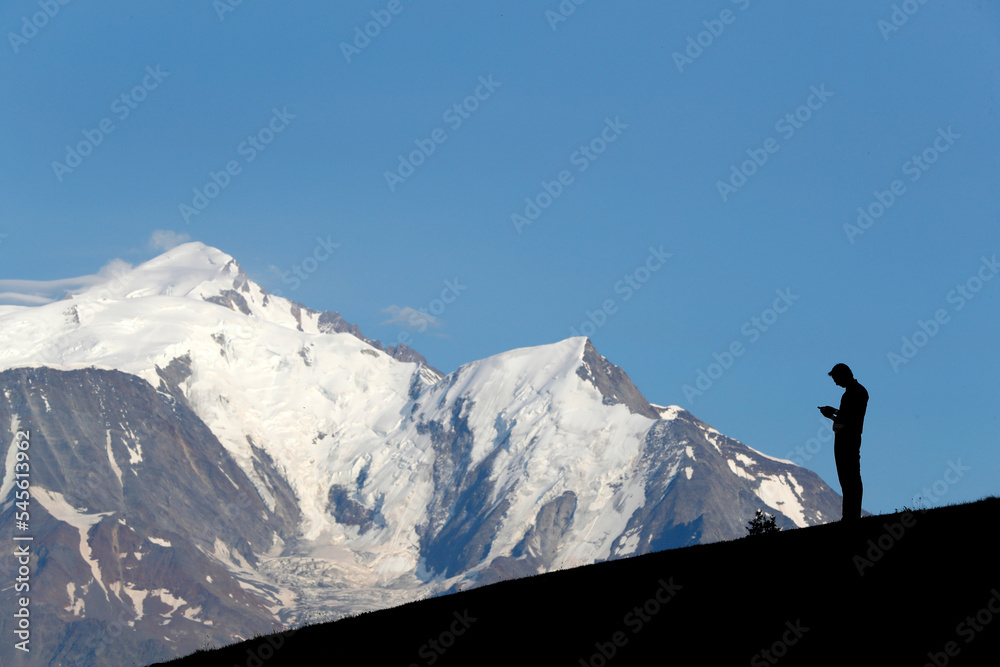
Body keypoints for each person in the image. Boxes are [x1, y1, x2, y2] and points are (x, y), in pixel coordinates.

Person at [818, 363, 868, 523]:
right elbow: (847, 416)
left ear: (843, 375)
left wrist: (832, 416)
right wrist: (834, 413)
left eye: (836, 379)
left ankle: (851, 516)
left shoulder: (854, 393)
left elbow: (849, 419)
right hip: (847, 437)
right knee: (849, 476)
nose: (835, 383)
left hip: (847, 439)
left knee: (849, 476)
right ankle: (850, 515)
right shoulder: (856, 392)